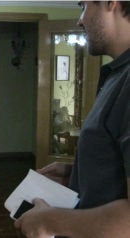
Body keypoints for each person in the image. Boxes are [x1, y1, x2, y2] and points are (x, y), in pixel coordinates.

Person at [14, 1, 130, 237]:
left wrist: (49, 220)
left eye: (83, 5)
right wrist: (80, 174)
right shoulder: (116, 75)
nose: (80, 20)